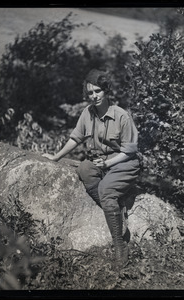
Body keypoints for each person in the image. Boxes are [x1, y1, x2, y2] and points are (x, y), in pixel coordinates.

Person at [43, 69, 140, 269]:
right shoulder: (87, 113)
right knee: (84, 170)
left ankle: (120, 245)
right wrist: (55, 157)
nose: (94, 96)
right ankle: (116, 209)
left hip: (124, 162)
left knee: (105, 190)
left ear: (106, 90)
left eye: (98, 91)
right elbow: (75, 138)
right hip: (100, 160)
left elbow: (130, 151)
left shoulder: (121, 116)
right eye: (90, 93)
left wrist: (108, 164)